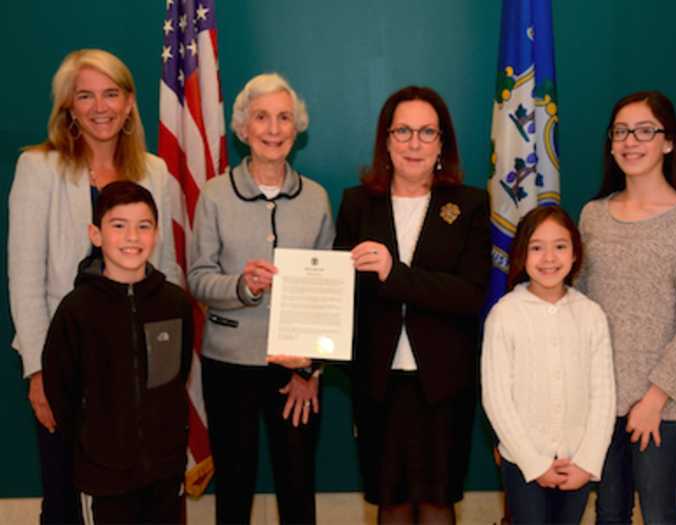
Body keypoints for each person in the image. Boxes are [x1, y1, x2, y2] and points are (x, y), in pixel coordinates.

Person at [7, 48, 181, 524]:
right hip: (65, 363)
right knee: (63, 498)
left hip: (134, 373)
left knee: (135, 498)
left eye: (111, 94)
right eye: (85, 96)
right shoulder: (38, 169)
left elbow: (162, 279)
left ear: (128, 103)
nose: (99, 107)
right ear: (69, 106)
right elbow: (25, 277)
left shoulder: (156, 172)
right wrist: (38, 373)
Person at [334, 85, 490, 524]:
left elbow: (469, 294)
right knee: (391, 504)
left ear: (443, 143)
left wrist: (393, 273)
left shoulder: (470, 204)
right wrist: (313, 353)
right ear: (386, 140)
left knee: (438, 504)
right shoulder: (357, 203)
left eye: (426, 132)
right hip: (378, 384)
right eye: (403, 131)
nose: (414, 143)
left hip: (443, 384)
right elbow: (339, 294)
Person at [188, 72, 334, 525]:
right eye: (262, 118)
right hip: (229, 364)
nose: (273, 129)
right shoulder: (214, 194)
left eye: (284, 118)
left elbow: (327, 294)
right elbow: (196, 279)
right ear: (243, 128)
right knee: (234, 487)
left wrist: (312, 369)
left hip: (295, 372)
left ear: (297, 127)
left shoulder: (316, 198)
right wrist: (241, 287)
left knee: (297, 485)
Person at [578, 91, 676, 525]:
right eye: (620, 131)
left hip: (661, 403)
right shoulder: (592, 216)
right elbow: (577, 309)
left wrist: (655, 398)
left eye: (644, 131)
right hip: (599, 399)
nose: (630, 141)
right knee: (609, 513)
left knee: (660, 513)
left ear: (669, 142)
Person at [41, 181, 193, 524]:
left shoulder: (175, 303)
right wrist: (92, 445)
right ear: (96, 234)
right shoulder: (76, 309)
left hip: (165, 471)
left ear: (156, 234)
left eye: (144, 226)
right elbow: (61, 390)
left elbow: (177, 374)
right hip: (103, 475)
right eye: (119, 225)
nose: (132, 237)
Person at [482, 206, 616, 525]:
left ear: (574, 254)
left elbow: (603, 396)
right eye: (536, 247)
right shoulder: (505, 314)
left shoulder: (591, 315)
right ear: (521, 255)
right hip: (523, 463)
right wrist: (534, 463)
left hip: (577, 463)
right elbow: (496, 398)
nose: (549, 258)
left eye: (560, 246)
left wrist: (587, 461)